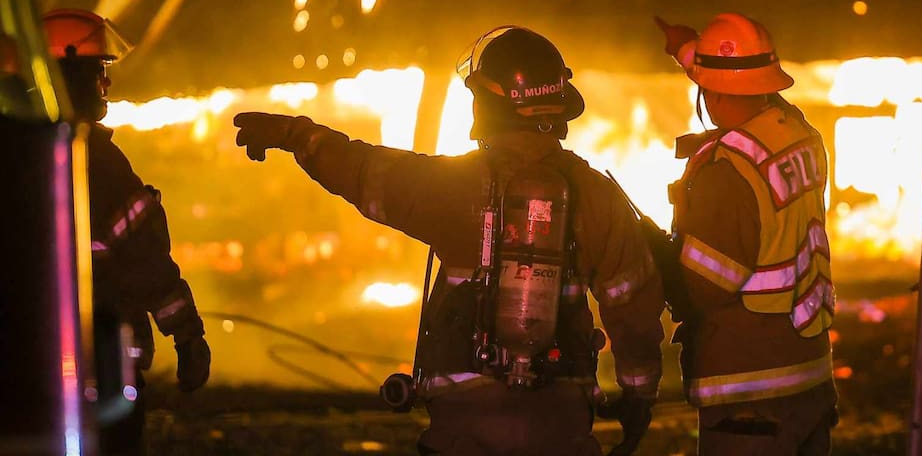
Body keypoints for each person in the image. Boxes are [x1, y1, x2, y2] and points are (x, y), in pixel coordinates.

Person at [233, 26, 665, 456]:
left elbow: (361, 169)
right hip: (560, 425)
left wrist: (294, 134)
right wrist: (638, 396)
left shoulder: (451, 186)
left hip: (462, 427)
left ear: (488, 106)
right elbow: (634, 307)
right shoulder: (596, 195)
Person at [656, 13, 838, 455]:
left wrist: (659, 258)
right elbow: (738, 84)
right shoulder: (799, 132)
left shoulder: (727, 173)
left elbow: (704, 286)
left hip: (750, 397)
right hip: (809, 376)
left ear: (712, 93)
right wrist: (689, 53)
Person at [43, 9, 211, 456]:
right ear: (72, 76)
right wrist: (188, 334)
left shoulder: (20, 156)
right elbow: (146, 262)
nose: (107, 83)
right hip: (103, 364)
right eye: (99, 71)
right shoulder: (99, 164)